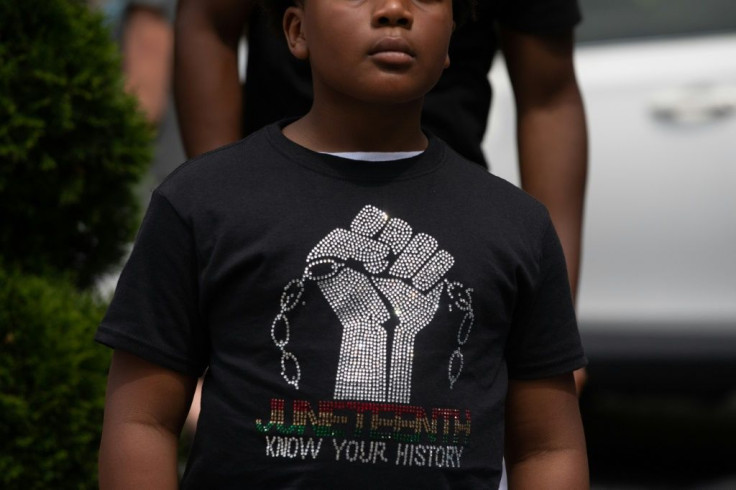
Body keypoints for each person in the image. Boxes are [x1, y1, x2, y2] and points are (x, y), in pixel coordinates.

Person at [97, 0, 589, 488]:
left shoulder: (513, 226)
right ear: (296, 31)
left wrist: (383, 338)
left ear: (451, 39)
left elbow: (548, 447)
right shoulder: (201, 203)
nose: (394, 9)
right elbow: (142, 420)